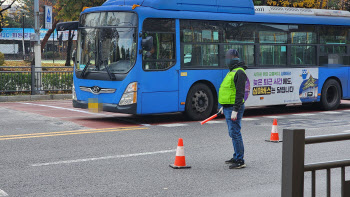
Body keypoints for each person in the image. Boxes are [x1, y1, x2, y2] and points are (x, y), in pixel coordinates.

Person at [218, 49, 248, 169]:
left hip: (234, 108)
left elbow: (240, 93)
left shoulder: (239, 72)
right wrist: (223, 107)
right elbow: (228, 91)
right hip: (228, 107)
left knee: (235, 133)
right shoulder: (232, 71)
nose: (227, 59)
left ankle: (240, 160)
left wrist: (235, 109)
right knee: (232, 133)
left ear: (235, 57)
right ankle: (236, 156)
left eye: (229, 57)